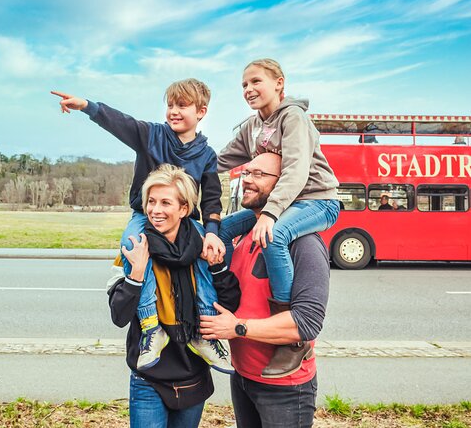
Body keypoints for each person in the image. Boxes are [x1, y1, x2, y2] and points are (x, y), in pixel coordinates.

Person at [51, 81, 231, 373]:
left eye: (181, 106)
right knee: (134, 247)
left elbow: (212, 198)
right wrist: (87, 106)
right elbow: (121, 122)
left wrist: (211, 231)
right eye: (170, 105)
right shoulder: (152, 135)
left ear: (201, 112)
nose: (173, 111)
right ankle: (151, 327)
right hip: (145, 215)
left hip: (186, 220)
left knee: (204, 252)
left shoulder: (207, 154)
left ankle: (204, 331)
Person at [214, 58, 339, 378]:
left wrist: (269, 214)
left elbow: (296, 171)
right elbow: (220, 161)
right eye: (244, 84)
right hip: (285, 204)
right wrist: (180, 168)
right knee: (223, 229)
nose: (248, 89)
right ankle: (225, 297)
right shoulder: (252, 126)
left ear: (279, 83)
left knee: (275, 235)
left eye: (256, 81)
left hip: (315, 200)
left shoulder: (294, 118)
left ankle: (292, 341)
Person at [200, 152, 330, 428]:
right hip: (243, 376)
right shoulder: (245, 235)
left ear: (284, 184)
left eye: (259, 174)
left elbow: (306, 323)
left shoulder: (304, 244)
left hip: (284, 389)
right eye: (247, 172)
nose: (247, 180)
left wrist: (237, 328)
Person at [108, 164, 241, 428]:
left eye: (165, 203)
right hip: (149, 378)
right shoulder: (134, 247)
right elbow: (119, 315)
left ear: (183, 209)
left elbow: (229, 302)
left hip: (194, 376)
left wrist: (216, 265)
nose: (155, 211)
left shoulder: (205, 244)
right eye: (151, 202)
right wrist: (135, 274)